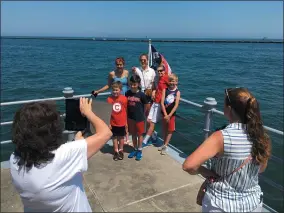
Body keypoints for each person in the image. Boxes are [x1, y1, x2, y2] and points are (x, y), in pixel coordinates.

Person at [10, 98, 112, 212]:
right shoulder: (64, 156)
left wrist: (76, 144)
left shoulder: (14, 159)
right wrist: (88, 112)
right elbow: (106, 133)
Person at [182, 87, 271, 212]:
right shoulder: (262, 136)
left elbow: (189, 166)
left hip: (221, 205)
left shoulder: (221, 137)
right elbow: (261, 169)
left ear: (229, 109)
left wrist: (206, 172)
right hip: (253, 204)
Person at [142, 65, 169, 146]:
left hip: (160, 104)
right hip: (155, 102)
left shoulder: (166, 78)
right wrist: (154, 91)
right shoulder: (159, 78)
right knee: (148, 120)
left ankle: (145, 141)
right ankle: (153, 137)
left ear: (165, 71)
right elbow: (159, 88)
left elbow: (172, 87)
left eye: (161, 71)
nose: (160, 72)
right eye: (158, 71)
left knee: (152, 123)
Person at [125, 75, 148, 161]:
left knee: (140, 134)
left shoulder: (142, 95)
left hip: (140, 118)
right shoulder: (127, 93)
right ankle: (134, 149)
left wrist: (143, 114)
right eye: (131, 84)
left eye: (135, 84)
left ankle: (140, 150)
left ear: (138, 84)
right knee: (133, 134)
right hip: (130, 118)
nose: (133, 86)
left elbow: (146, 106)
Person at [159, 73, 181, 155]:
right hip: (164, 114)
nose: (172, 83)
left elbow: (176, 105)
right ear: (168, 81)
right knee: (164, 129)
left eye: (174, 81)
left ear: (176, 82)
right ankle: (163, 143)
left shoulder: (177, 92)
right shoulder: (165, 90)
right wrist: (165, 114)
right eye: (170, 81)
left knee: (170, 130)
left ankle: (166, 145)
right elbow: (162, 102)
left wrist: (169, 115)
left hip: (171, 115)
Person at [107, 82, 128, 161]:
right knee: (114, 137)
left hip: (122, 122)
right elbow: (108, 112)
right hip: (113, 122)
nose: (115, 92)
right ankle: (115, 150)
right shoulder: (109, 99)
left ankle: (121, 150)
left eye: (117, 90)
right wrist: (109, 123)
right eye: (113, 90)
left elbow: (125, 110)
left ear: (120, 90)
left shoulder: (124, 99)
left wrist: (126, 122)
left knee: (121, 137)